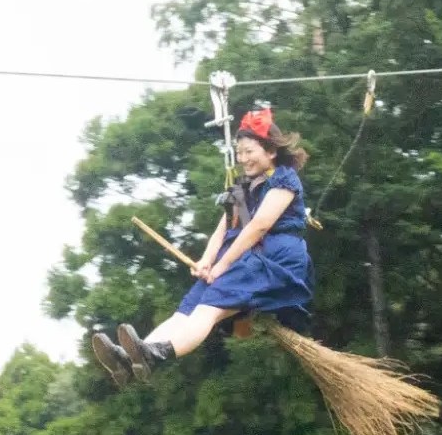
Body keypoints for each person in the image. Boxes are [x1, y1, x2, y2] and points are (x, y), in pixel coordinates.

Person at [91, 107, 314, 387]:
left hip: (272, 258)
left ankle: (156, 353)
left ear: (270, 151)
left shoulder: (283, 179)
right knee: (187, 309)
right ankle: (133, 355)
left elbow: (258, 226)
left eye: (249, 151)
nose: (243, 159)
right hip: (241, 255)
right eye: (240, 152)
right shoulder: (242, 187)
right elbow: (225, 228)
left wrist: (222, 266)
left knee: (208, 308)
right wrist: (208, 261)